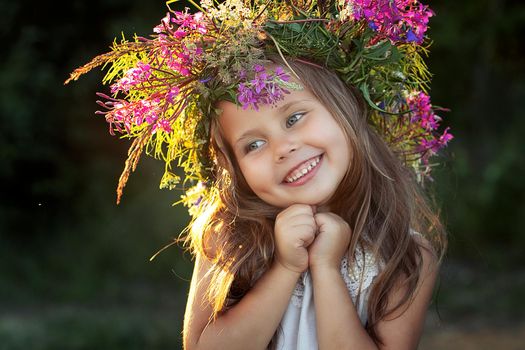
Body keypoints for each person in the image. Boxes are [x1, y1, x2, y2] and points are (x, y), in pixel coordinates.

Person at [66, 0, 452, 349]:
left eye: (295, 118)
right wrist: (285, 267)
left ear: (346, 107)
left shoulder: (406, 256)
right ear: (233, 167)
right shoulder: (229, 237)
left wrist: (326, 268)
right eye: (253, 145)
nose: (283, 148)